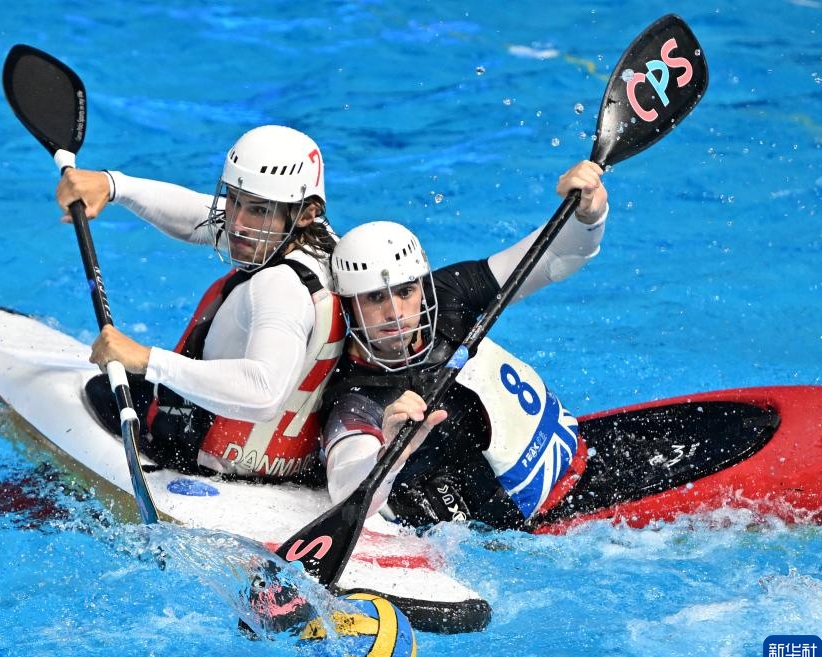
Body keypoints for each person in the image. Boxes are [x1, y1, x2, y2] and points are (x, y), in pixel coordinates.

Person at [320, 160, 607, 530]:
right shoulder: (355, 396)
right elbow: (345, 488)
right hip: (511, 536)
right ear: (347, 305)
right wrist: (389, 452)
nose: (395, 312)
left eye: (405, 292)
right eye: (375, 298)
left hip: (574, 460)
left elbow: (556, 258)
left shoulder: (448, 295)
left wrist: (588, 215)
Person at [55, 125, 345, 480]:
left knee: (97, 392)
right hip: (289, 461)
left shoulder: (278, 286)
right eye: (234, 199)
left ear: (305, 213)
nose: (236, 223)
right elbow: (198, 217)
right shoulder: (326, 249)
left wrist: (147, 359)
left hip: (205, 457)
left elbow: (264, 392)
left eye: (257, 210)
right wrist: (113, 185)